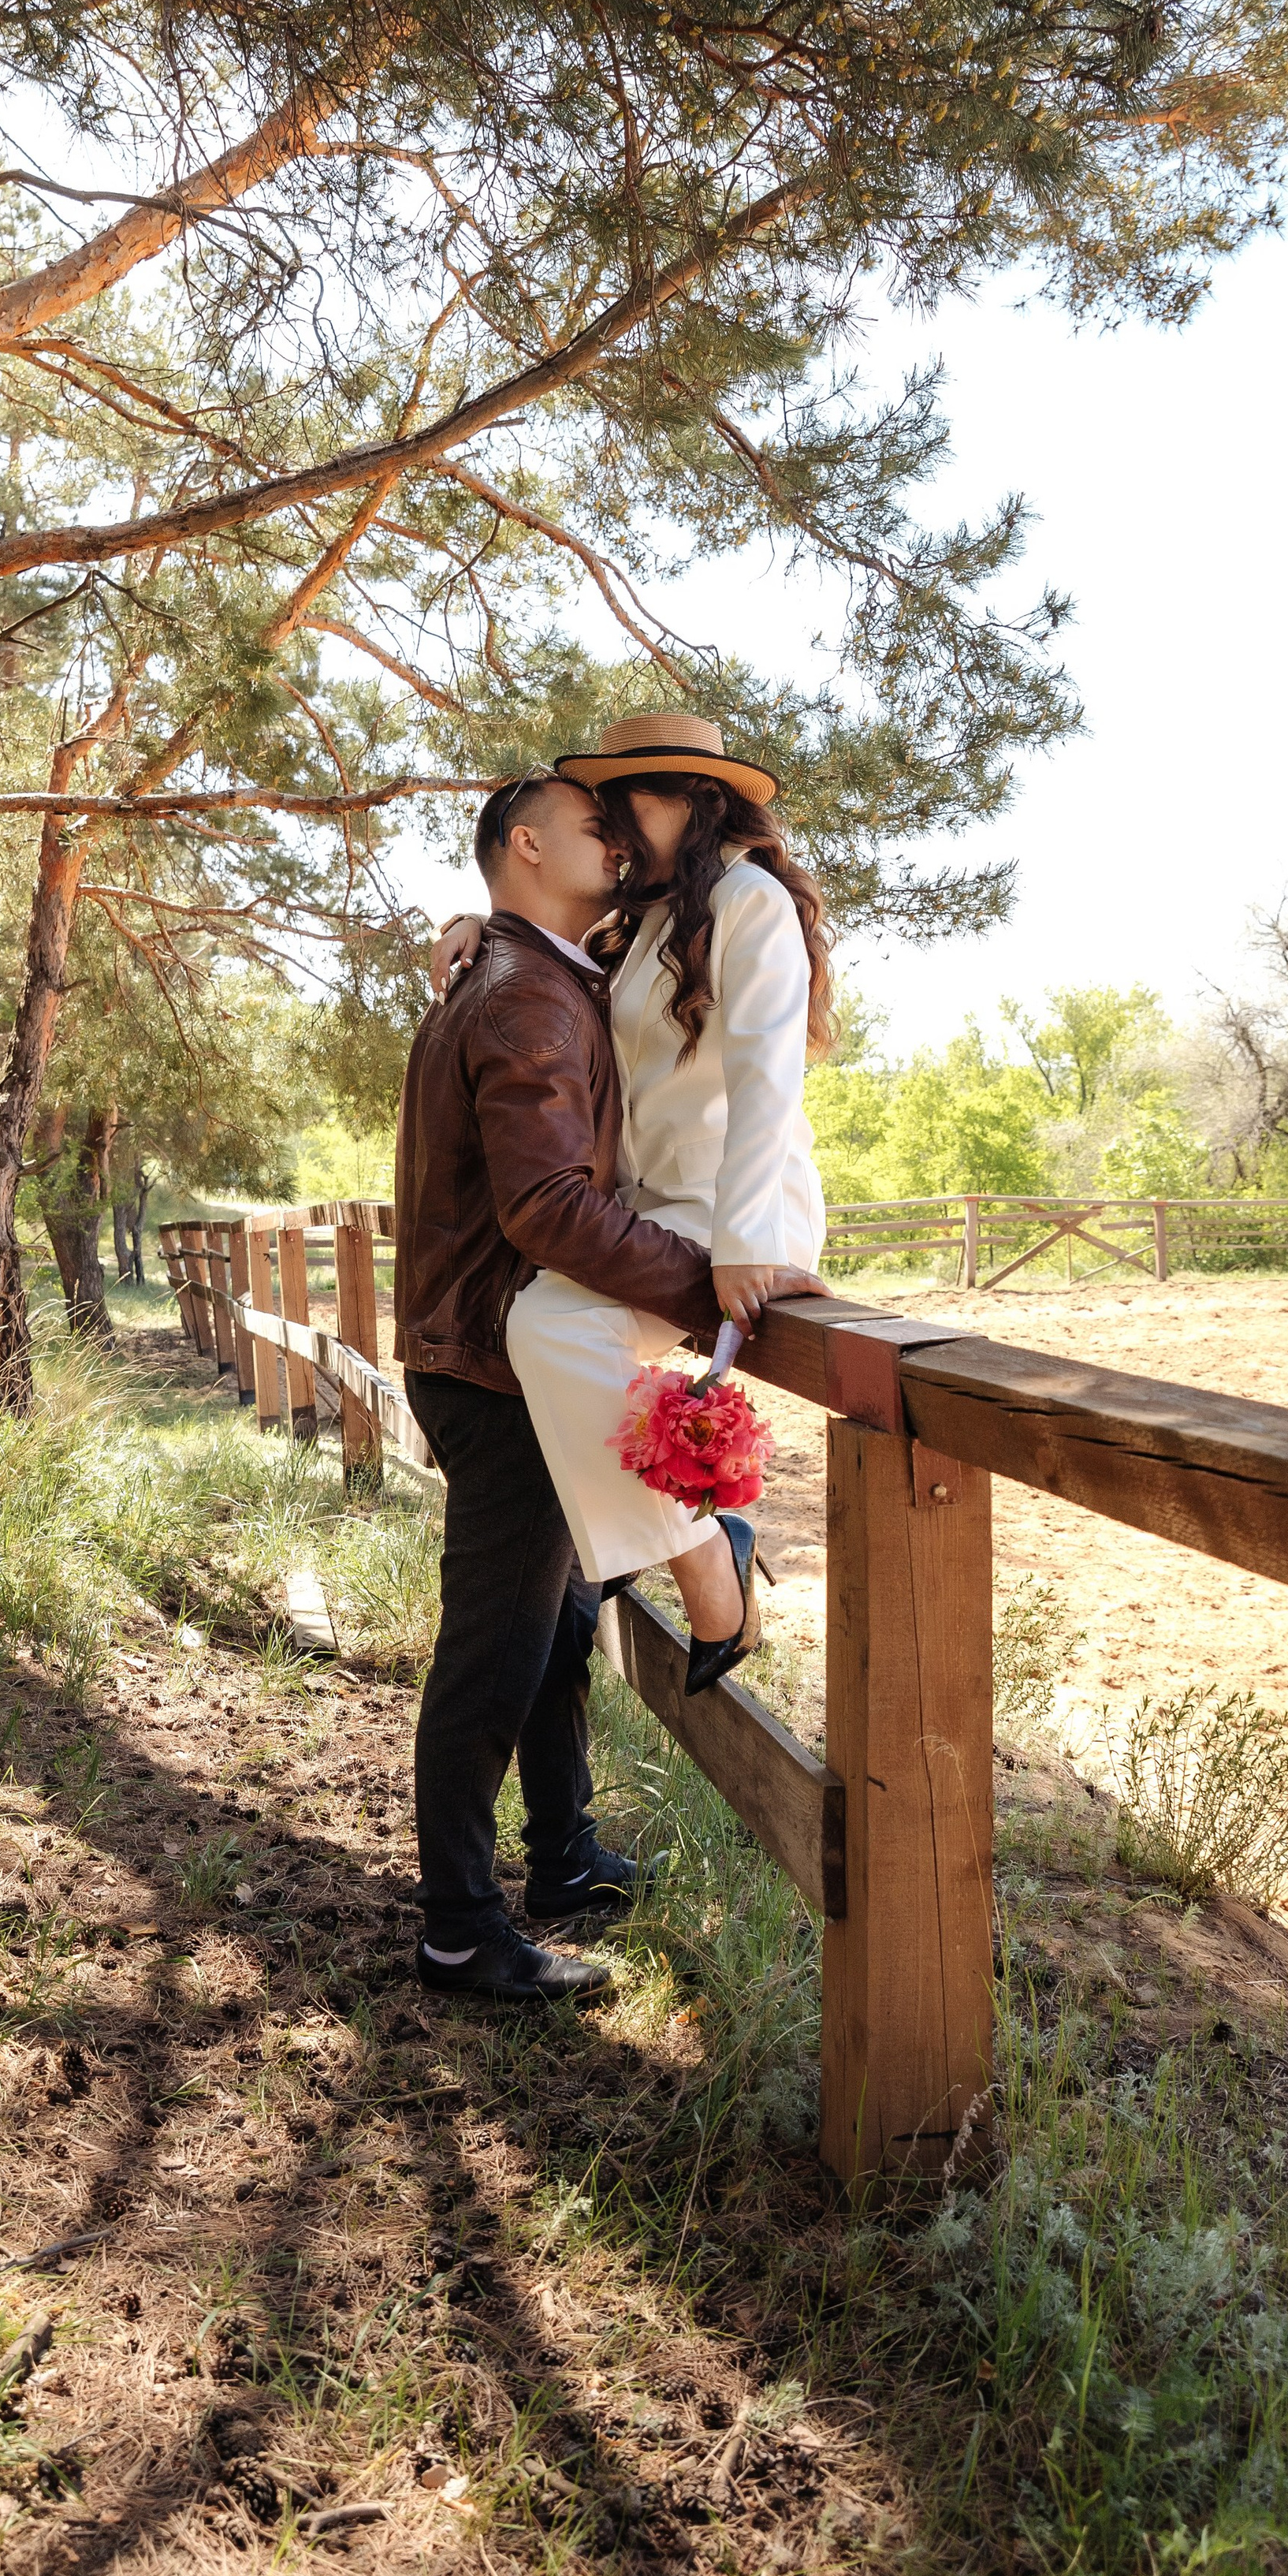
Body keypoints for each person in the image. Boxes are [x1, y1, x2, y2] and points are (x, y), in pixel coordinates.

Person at [393, 766, 735, 2004]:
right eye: (598, 828)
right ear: (528, 845)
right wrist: (711, 1286)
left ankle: (564, 1858)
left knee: (562, 1623)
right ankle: (459, 1931)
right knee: (495, 1651)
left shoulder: (533, 971)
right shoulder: (526, 992)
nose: (622, 845)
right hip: (496, 1371)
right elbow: (545, 1205)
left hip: (492, 1355)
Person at [432, 713, 832, 1695]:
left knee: (552, 1327)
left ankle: (701, 1567)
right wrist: (477, 925)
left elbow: (767, 1079)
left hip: (737, 1213)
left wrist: (746, 1244)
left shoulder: (749, 901)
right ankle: (701, 1545)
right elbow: (551, 944)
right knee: (544, 1324)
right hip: (658, 1215)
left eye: (624, 802)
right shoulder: (648, 920)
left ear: (691, 802)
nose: (610, 826)